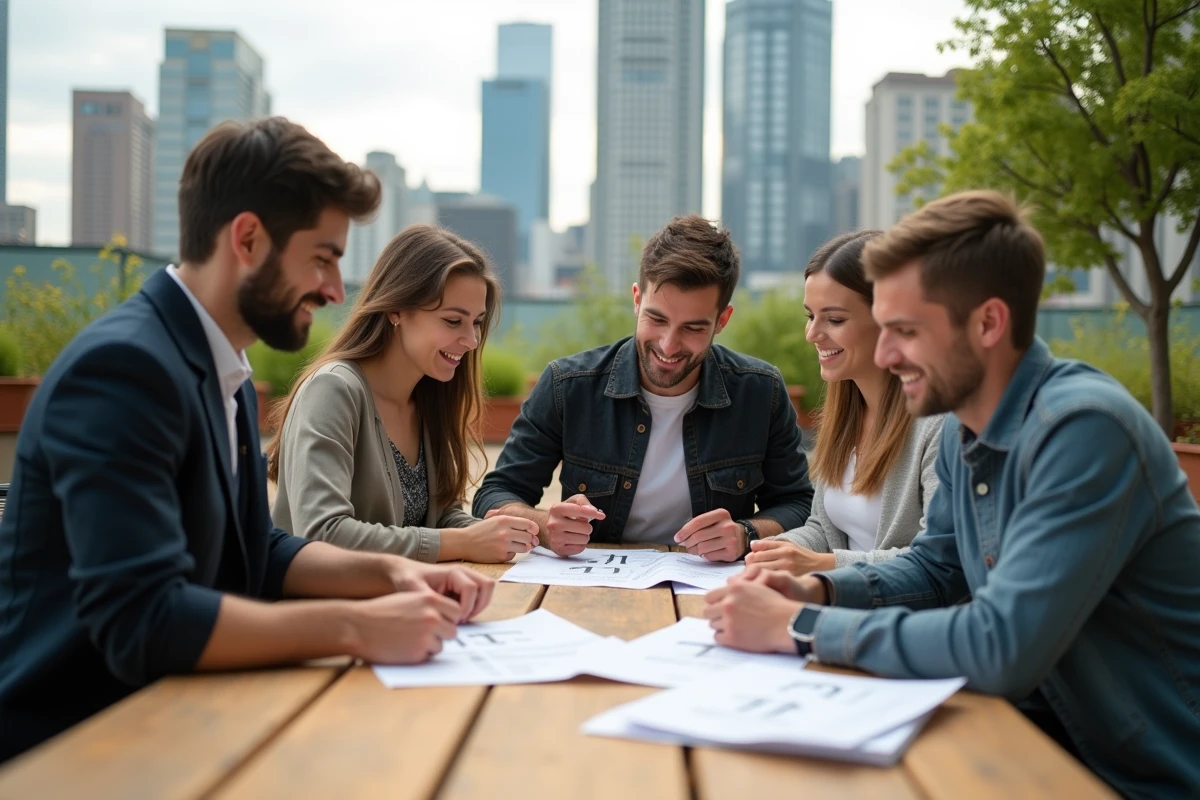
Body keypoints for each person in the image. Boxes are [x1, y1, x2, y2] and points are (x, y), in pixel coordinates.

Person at [0, 118, 494, 763]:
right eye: (322, 258)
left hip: (181, 712)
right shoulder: (123, 370)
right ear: (249, 239)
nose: (335, 291)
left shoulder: (222, 370)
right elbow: (142, 622)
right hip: (80, 743)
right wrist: (356, 625)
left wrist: (392, 572)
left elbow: (254, 548)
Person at [703, 190, 1200, 797]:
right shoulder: (972, 426)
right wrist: (817, 586)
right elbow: (938, 568)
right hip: (1026, 737)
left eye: (905, 331)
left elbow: (1000, 646)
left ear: (988, 323)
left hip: (1137, 773)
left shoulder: (1084, 431)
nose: (885, 355)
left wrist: (800, 625)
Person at [472, 214, 813, 561]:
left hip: (712, 591)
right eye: (657, 319)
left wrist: (746, 534)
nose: (668, 345)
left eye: (693, 328)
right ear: (637, 300)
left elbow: (799, 504)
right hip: (595, 585)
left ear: (722, 320)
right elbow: (495, 495)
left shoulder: (761, 392)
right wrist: (544, 526)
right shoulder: (567, 386)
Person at [268, 226, 539, 563]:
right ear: (396, 309)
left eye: (477, 323)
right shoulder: (333, 391)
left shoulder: (430, 398)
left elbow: (441, 520)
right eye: (453, 321)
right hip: (319, 610)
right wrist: (461, 542)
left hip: (402, 603)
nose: (471, 340)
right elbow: (323, 533)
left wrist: (522, 533)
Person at [746, 231, 944, 576]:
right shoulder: (846, 413)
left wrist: (823, 565)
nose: (812, 334)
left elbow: (940, 560)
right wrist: (768, 549)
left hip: (898, 620)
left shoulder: (940, 425)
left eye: (834, 319)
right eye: (810, 316)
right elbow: (824, 530)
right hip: (841, 606)